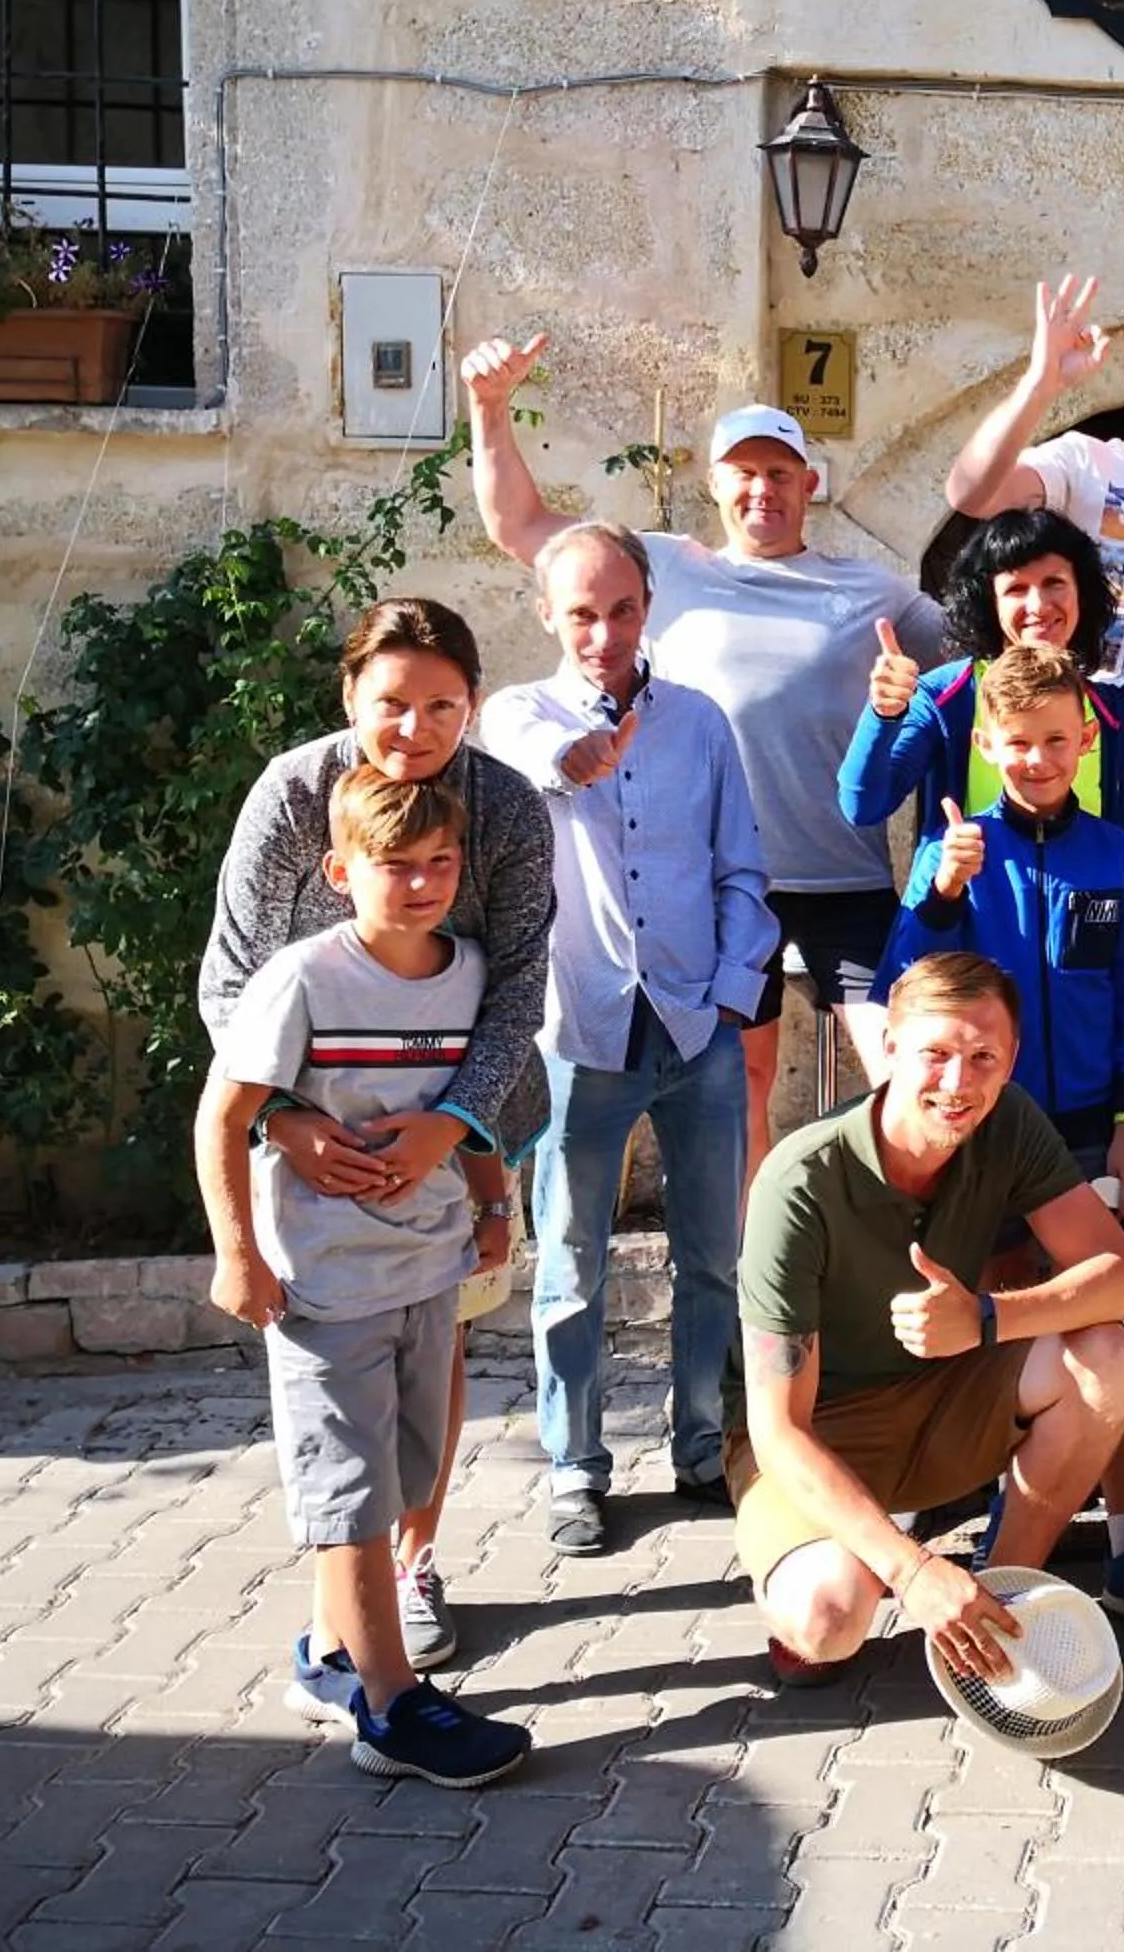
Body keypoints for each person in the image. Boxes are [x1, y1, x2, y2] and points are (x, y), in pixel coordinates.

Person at [463, 333, 952, 1181]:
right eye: (744, 473)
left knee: (904, 1067)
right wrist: (490, 409)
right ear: (717, 484)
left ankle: (897, 1261)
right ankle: (756, 1282)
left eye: (779, 474)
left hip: (845, 881)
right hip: (728, 883)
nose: (762, 490)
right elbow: (519, 527)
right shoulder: (663, 569)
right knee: (745, 1086)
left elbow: (976, 661)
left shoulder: (870, 590)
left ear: (809, 485)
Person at [200, 596, 551, 1675]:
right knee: (338, 1374)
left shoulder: (505, 811)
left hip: (460, 1126)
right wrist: (293, 1126)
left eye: (442, 706)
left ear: (474, 708)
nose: (415, 729)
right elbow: (232, 980)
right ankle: (347, 1614)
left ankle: (412, 1563)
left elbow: (519, 986)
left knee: (435, 1345)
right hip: (313, 1141)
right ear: (351, 695)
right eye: (392, 702)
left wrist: (453, 1133)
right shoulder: (293, 799)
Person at [872, 644, 1124, 1646]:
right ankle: (968, 1511)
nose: (1038, 758)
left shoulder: (1115, 852)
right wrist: (936, 891)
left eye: (1057, 740)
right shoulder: (962, 850)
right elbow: (902, 987)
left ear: (1085, 739)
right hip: (980, 1132)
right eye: (1017, 742)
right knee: (982, 1316)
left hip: (1089, 1128)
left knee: (1100, 1323)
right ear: (986, 743)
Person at [479, 521, 779, 1557]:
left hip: (695, 1024)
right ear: (547, 616)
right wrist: (586, 754)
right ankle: (575, 1466)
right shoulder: (516, 714)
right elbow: (535, 768)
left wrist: (736, 993)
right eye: (581, 613)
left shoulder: (699, 723)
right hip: (580, 1028)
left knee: (713, 1257)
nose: (603, 633)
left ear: (648, 607)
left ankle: (701, 1445)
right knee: (570, 1260)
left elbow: (742, 868)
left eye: (622, 610)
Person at [734, 953, 1124, 1688]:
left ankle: (1000, 1597)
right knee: (826, 1624)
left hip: (948, 1397)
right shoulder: (800, 1180)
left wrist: (988, 1318)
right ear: (888, 1045)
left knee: (1107, 1352)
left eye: (983, 1057)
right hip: (822, 1429)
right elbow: (778, 1430)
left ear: (1012, 1058)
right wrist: (914, 1570)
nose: (959, 1084)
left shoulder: (1009, 1123)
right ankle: (870, 1571)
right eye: (936, 1054)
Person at [943, 278, 1124, 980]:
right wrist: (1041, 384)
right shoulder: (1087, 463)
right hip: (1074, 772)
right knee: (1037, 981)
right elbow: (971, 492)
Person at [838, 504, 1124, 836]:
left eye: (1054, 582)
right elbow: (863, 807)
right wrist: (882, 716)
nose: (1038, 605)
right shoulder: (944, 698)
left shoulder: (1108, 710)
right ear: (989, 603)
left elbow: (1121, 848)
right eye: (1016, 589)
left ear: (1082, 592)